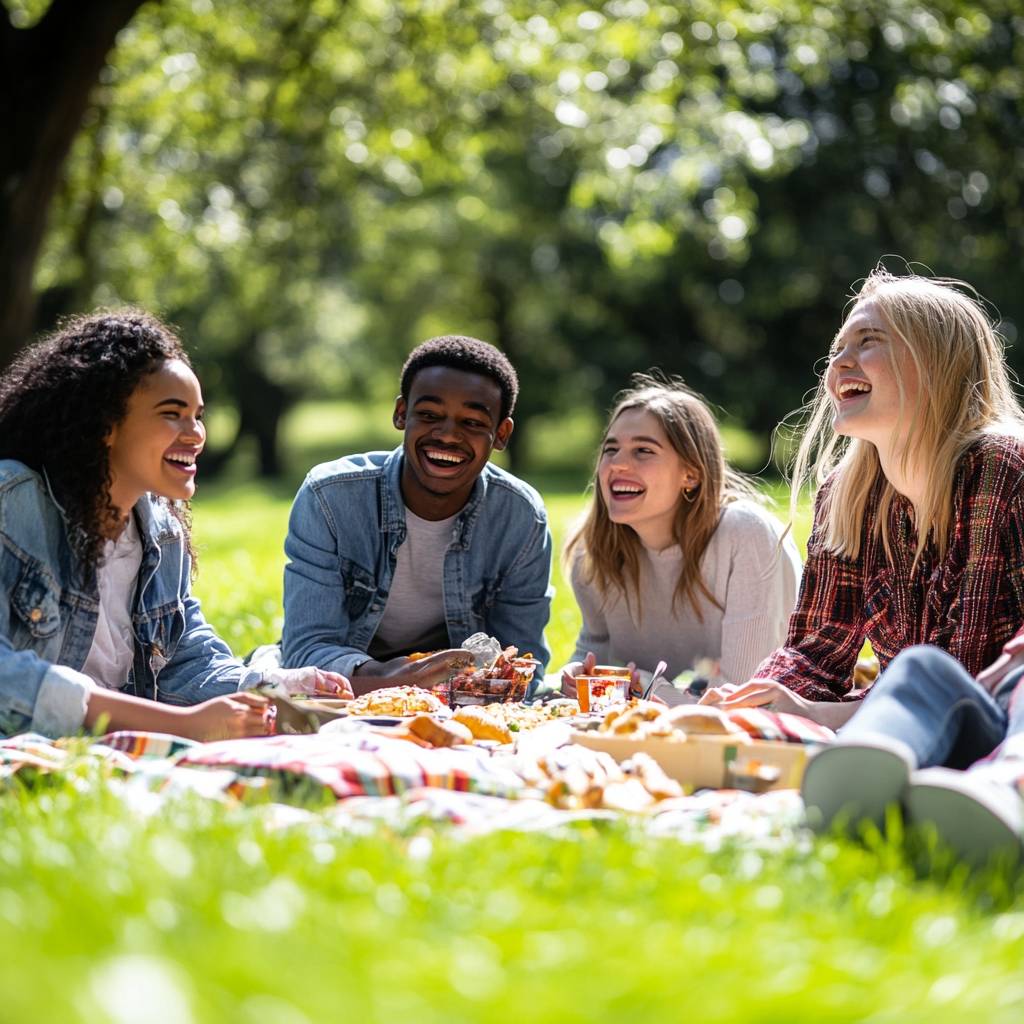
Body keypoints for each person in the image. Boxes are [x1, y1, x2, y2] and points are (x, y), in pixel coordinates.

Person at [0, 310, 351, 742]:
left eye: (198, 415)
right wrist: (179, 726)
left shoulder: (161, 531)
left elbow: (184, 659)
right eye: (172, 414)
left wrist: (272, 689)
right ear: (105, 424)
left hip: (99, 753)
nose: (196, 434)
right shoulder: (13, 503)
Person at [701, 267, 1024, 730]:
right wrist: (752, 703)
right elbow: (815, 651)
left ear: (936, 361)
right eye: (836, 350)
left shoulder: (1001, 467)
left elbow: (960, 678)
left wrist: (822, 715)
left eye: (867, 341)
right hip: (913, 728)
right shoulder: (848, 496)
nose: (838, 365)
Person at [281, 334, 553, 695]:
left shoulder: (521, 519)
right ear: (400, 414)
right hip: (349, 687)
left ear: (501, 434)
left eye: (471, 422)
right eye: (428, 415)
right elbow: (305, 651)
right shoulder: (330, 498)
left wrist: (450, 690)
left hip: (460, 697)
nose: (447, 435)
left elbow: (523, 667)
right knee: (273, 684)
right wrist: (397, 680)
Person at [560, 375, 801, 699]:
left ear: (691, 474)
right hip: (658, 720)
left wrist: (643, 688)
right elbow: (596, 648)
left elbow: (744, 697)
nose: (617, 464)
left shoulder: (746, 536)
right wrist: (577, 675)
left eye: (643, 450)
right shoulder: (592, 552)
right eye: (611, 449)